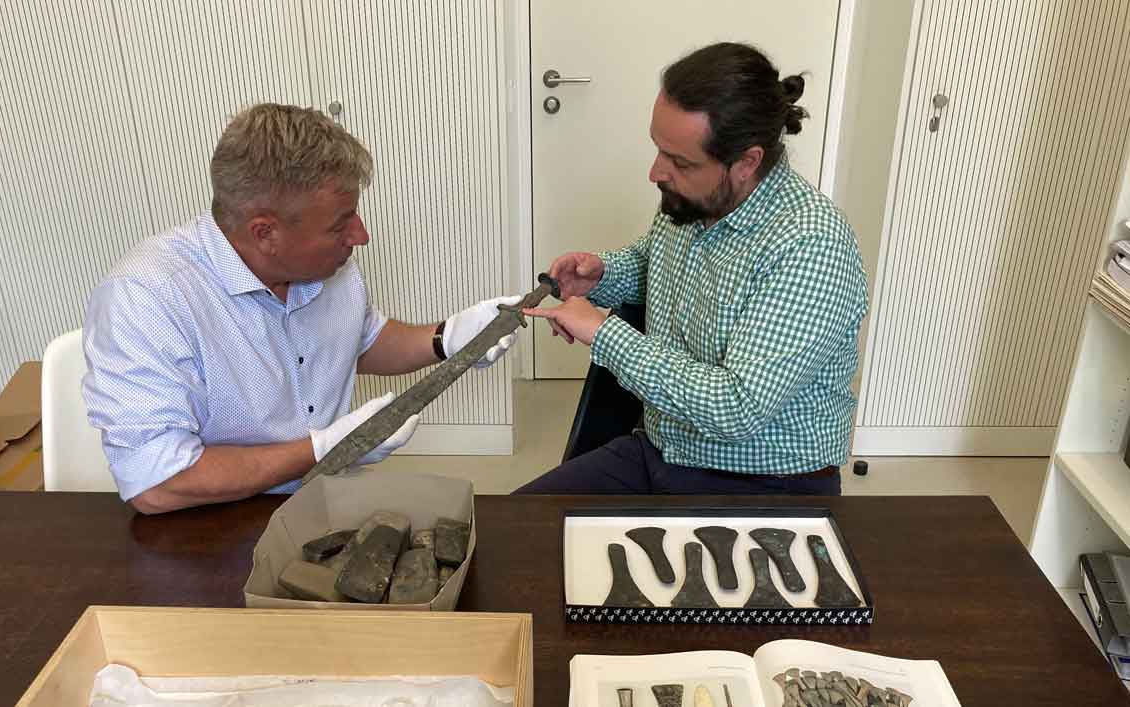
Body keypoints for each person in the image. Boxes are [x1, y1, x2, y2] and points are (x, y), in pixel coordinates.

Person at [83, 103, 518, 514]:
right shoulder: (147, 298)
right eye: (339, 224)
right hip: (211, 523)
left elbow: (359, 341)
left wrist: (449, 337)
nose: (360, 235)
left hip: (323, 504)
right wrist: (321, 449)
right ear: (264, 233)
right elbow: (157, 484)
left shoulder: (329, 271)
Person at [518, 43, 868, 495]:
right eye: (659, 150)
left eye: (679, 161)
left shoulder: (812, 245)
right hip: (662, 448)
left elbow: (736, 407)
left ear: (747, 161)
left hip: (764, 482)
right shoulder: (692, 199)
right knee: (511, 534)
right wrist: (605, 275)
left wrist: (605, 334)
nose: (655, 173)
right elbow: (656, 261)